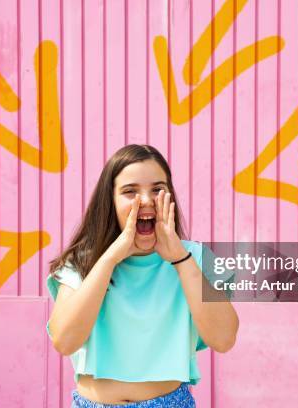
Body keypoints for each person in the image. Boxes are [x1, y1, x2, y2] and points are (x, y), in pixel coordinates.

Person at [46, 144, 239, 407]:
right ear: (110, 202)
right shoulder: (83, 261)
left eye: (158, 189)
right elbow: (64, 341)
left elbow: (224, 339)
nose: (146, 200)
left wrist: (181, 259)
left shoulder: (195, 258)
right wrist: (110, 258)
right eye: (130, 191)